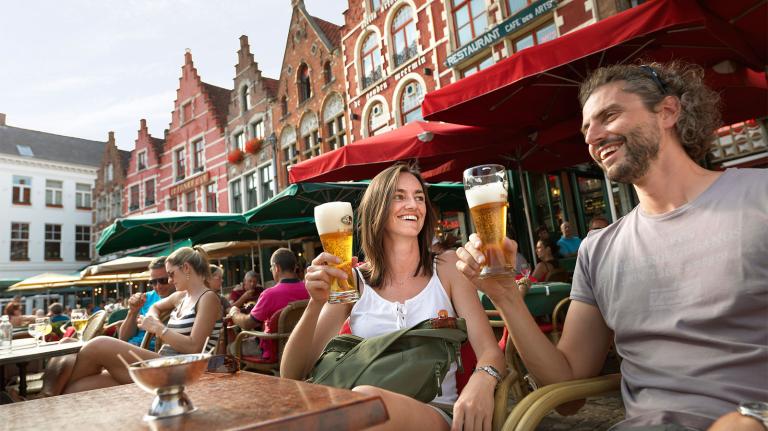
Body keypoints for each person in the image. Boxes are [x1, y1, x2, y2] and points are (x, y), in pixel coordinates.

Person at [456, 61, 768, 431]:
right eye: (587, 128)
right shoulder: (599, 249)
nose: (592, 137)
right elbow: (568, 394)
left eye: (610, 115)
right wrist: (505, 295)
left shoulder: (758, 197)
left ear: (668, 111)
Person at [282, 164, 505, 431]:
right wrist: (315, 303)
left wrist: (483, 379)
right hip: (358, 415)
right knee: (359, 405)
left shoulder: (447, 268)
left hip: (435, 413)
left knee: (364, 402)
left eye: (419, 197)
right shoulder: (353, 281)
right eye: (399, 196)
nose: (413, 204)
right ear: (377, 209)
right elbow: (293, 373)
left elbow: (490, 351)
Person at [44, 246, 223, 395]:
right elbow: (156, 307)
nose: (169, 280)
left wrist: (158, 328)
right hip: (163, 363)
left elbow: (194, 348)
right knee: (75, 389)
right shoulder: (181, 297)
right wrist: (152, 317)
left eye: (171, 274)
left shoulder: (208, 298)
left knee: (98, 344)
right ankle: (48, 401)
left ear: (186, 268)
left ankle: (45, 399)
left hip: (183, 371)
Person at [228, 248, 309, 361]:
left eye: (271, 268)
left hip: (275, 352)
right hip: (305, 348)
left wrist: (234, 312)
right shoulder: (309, 289)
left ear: (276, 268)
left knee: (231, 348)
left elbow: (247, 324)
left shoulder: (269, 294)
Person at [119, 256, 176, 348]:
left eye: (163, 280)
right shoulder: (145, 298)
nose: (158, 286)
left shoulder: (183, 298)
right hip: (132, 347)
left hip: (151, 352)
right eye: (153, 282)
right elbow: (123, 338)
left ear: (173, 277)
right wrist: (132, 312)